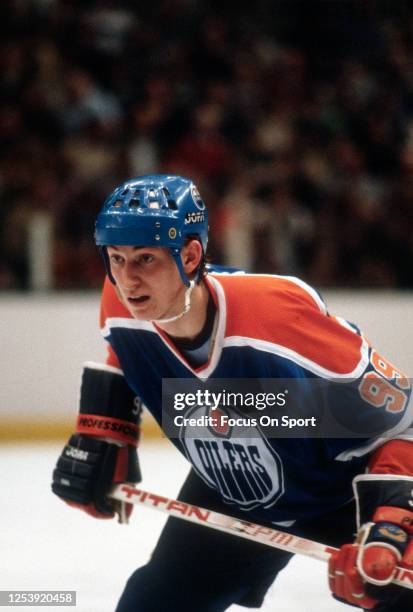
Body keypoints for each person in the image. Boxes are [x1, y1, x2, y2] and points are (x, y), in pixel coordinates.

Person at [52, 174, 413, 611]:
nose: (127, 280)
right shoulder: (121, 305)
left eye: (145, 258)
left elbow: (402, 418)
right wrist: (105, 426)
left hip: (340, 493)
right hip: (235, 487)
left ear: (190, 255)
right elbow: (126, 350)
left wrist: (394, 519)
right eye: (116, 258)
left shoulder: (276, 321)